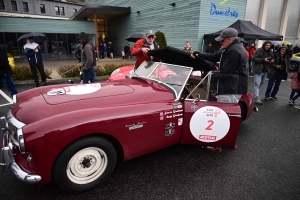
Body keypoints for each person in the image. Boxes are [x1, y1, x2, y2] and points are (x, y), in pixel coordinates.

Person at [191, 28, 248, 103]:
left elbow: (226, 72)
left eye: (222, 40)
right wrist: (199, 54)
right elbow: (215, 57)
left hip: (231, 89)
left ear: (230, 40)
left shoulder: (234, 51)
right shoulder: (227, 47)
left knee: (225, 111)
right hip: (229, 86)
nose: (220, 43)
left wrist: (204, 74)